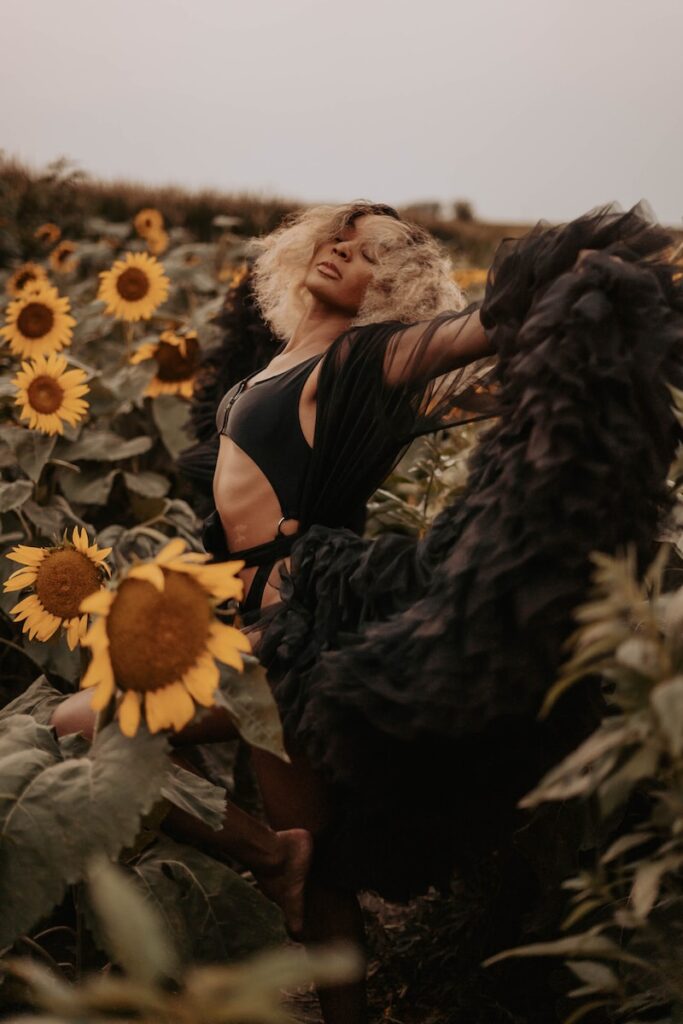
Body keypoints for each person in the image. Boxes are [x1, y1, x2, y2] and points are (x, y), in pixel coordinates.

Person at [53, 198, 683, 1024]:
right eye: (337, 239)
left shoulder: (365, 355)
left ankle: (260, 853)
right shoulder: (277, 363)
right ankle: (295, 896)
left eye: (366, 254)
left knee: (78, 723)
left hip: (291, 625)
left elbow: (473, 333)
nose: (341, 252)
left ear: (391, 287)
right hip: (254, 627)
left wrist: (583, 270)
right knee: (320, 874)